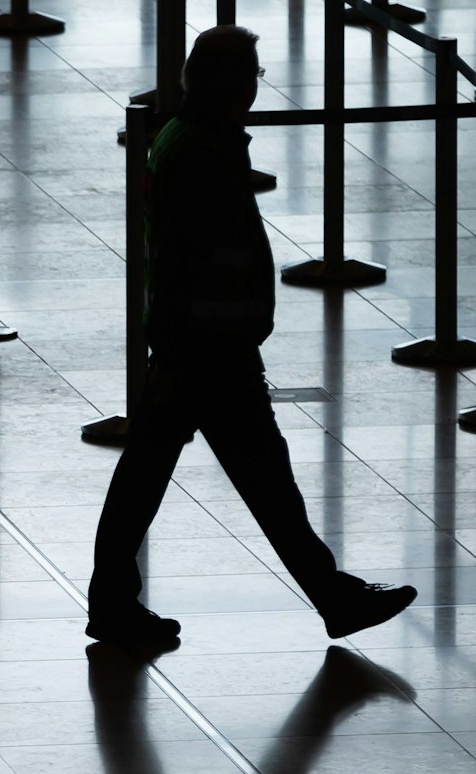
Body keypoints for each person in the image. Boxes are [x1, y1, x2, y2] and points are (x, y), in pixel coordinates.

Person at [87, 26, 415, 649]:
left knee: (157, 473)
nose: (254, 90)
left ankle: (114, 604)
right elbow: (193, 255)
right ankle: (331, 597)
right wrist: (200, 338)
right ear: (224, 83)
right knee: (255, 477)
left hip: (200, 342)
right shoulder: (201, 151)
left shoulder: (190, 138)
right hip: (210, 346)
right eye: (250, 76)